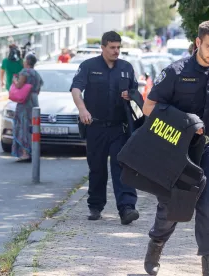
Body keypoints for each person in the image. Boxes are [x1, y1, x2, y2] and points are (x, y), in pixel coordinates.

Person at [141, 20, 209, 276]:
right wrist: (187, 122)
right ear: (198, 42)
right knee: (173, 205)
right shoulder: (175, 72)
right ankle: (156, 243)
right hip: (176, 146)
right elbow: (149, 108)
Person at [70, 31, 139, 225]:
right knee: (97, 168)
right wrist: (82, 109)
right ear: (103, 48)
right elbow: (76, 89)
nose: (116, 51)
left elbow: (135, 92)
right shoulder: (88, 66)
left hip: (119, 127)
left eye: (118, 47)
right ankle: (95, 206)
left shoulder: (126, 68)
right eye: (112, 48)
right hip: (95, 126)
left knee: (122, 166)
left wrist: (130, 95)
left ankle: (127, 208)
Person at [11, 54, 43, 162]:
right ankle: (32, 151)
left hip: (25, 100)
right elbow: (38, 89)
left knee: (22, 125)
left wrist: (14, 80)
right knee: (31, 125)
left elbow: (19, 85)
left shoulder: (25, 72)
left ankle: (25, 152)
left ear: (27, 62)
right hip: (34, 101)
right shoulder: (37, 74)